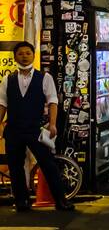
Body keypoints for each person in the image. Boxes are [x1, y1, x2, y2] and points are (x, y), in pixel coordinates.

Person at [0, 41, 74, 212]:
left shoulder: (45, 78)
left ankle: (61, 201)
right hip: (14, 129)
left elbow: (53, 101)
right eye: (20, 54)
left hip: (35, 128)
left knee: (48, 164)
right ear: (15, 57)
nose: (24, 56)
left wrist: (53, 124)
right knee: (15, 167)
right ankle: (21, 201)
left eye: (28, 53)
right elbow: (2, 104)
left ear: (33, 55)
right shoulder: (8, 79)